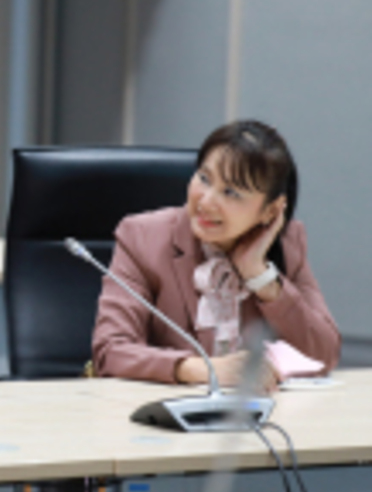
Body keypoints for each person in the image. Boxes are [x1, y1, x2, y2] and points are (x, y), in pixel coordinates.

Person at [91, 120, 341, 388]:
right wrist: (202, 369)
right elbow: (110, 351)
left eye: (231, 192)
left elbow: (323, 355)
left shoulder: (288, 244)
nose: (206, 201)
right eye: (204, 178)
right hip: (162, 408)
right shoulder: (142, 237)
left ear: (271, 211)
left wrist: (260, 276)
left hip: (258, 408)